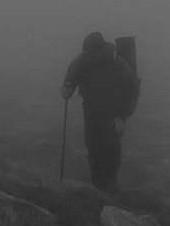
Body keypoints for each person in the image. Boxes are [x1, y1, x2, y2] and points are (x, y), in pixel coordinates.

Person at [60, 32, 141, 191]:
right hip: (91, 112)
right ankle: (97, 187)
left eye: (91, 55)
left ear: (101, 51)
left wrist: (122, 117)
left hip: (113, 115)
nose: (88, 58)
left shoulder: (118, 64)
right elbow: (70, 79)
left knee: (109, 148)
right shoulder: (81, 60)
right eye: (86, 54)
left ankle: (110, 189)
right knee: (93, 147)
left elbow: (133, 91)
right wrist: (66, 88)